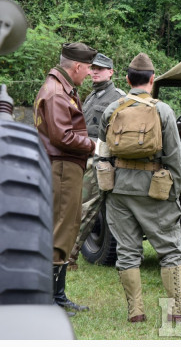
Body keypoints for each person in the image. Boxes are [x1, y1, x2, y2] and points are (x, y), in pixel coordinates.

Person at [97, 53, 181, 323]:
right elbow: (175, 158)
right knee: (171, 250)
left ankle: (135, 312)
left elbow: (103, 150)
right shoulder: (163, 110)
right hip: (153, 190)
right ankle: (177, 311)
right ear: (152, 80)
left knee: (127, 250)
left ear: (127, 79)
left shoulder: (112, 109)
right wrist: (174, 191)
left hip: (119, 190)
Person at [33, 42, 97, 314]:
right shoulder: (59, 93)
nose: (90, 74)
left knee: (65, 226)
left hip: (60, 166)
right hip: (61, 167)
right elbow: (63, 136)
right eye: (89, 68)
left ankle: (57, 296)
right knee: (61, 228)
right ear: (77, 66)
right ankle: (50, 299)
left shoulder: (57, 87)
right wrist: (93, 145)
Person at [66, 52, 125, 270]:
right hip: (86, 157)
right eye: (93, 68)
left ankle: (68, 256)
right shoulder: (90, 96)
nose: (95, 72)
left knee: (86, 208)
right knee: (79, 207)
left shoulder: (118, 96)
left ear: (111, 72)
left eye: (101, 69)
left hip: (103, 160)